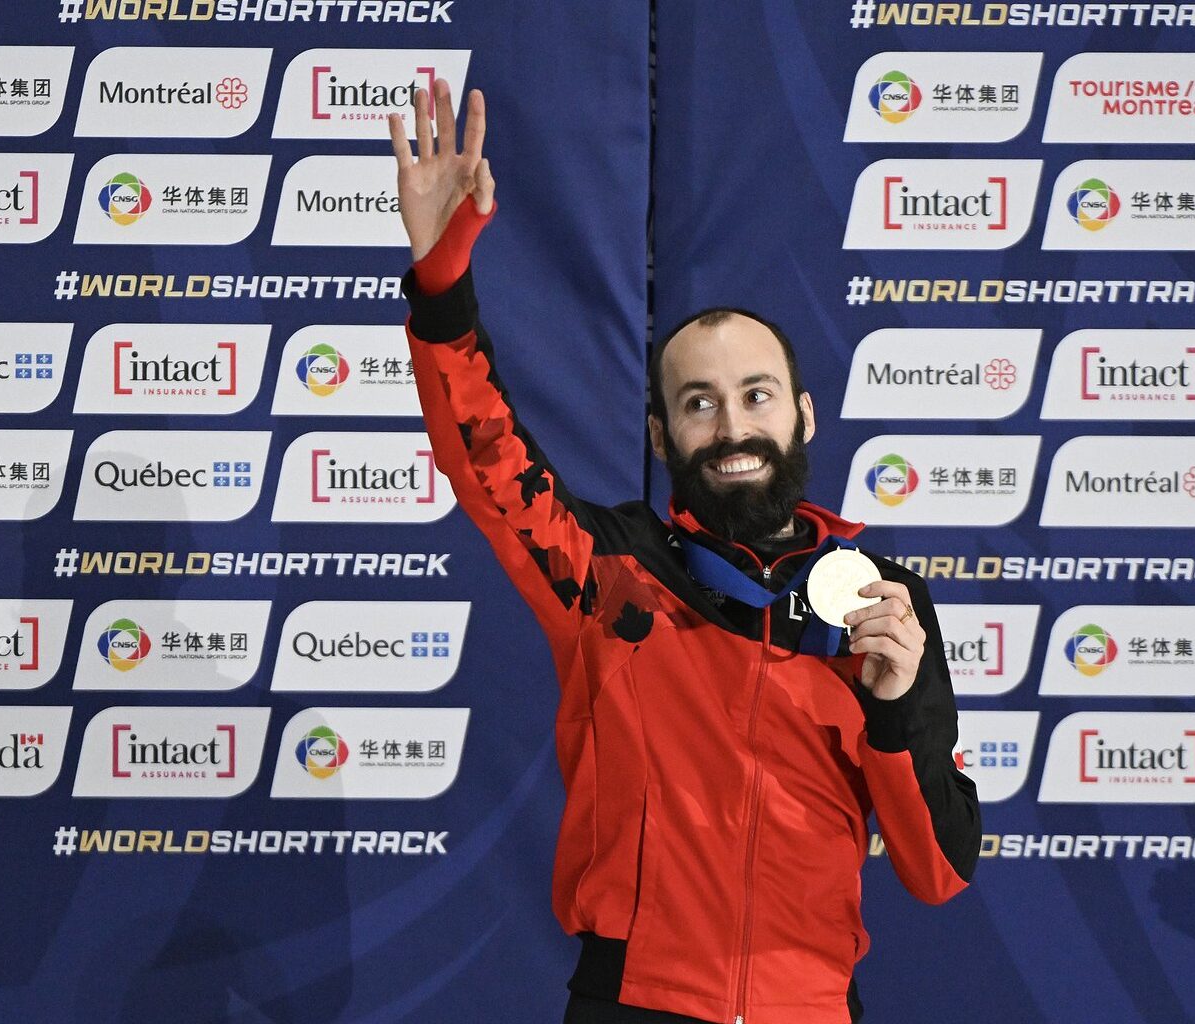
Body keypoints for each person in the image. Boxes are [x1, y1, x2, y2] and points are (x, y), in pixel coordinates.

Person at [388, 82, 981, 1024]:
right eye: (698, 403)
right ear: (663, 437)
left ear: (803, 418)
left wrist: (897, 706)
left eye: (756, 394)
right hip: (636, 1002)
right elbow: (486, 451)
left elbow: (940, 871)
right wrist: (443, 278)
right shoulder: (609, 570)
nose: (732, 425)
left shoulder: (880, 604)